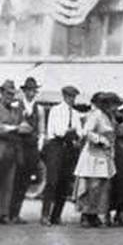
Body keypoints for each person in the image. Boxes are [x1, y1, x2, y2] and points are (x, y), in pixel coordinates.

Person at [73, 92, 121, 227]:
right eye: (113, 104)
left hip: (104, 156)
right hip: (93, 155)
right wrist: (100, 140)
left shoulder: (108, 117)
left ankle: (94, 214)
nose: (115, 107)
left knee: (100, 186)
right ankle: (86, 215)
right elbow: (86, 132)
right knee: (91, 185)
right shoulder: (96, 115)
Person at [0, 80, 29, 224]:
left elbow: (26, 128)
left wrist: (12, 127)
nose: (10, 96)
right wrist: (15, 128)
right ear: (2, 93)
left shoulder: (16, 111)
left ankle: (4, 214)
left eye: (12, 94)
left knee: (8, 185)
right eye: (7, 93)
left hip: (11, 151)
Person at [40, 85, 82, 225]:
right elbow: (58, 131)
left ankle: (56, 215)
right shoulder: (56, 110)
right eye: (70, 96)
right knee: (52, 181)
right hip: (56, 146)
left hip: (69, 148)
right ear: (64, 96)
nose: (72, 99)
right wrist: (70, 131)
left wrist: (75, 134)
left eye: (74, 97)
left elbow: (80, 132)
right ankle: (45, 215)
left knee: (64, 183)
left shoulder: (76, 114)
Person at [9, 77, 43, 224]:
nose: (30, 93)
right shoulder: (16, 106)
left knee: (25, 182)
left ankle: (16, 214)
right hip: (19, 146)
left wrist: (38, 148)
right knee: (16, 180)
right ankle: (10, 213)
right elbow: (11, 125)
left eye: (33, 90)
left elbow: (42, 130)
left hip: (32, 148)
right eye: (28, 90)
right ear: (23, 91)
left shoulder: (39, 109)